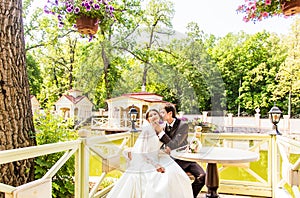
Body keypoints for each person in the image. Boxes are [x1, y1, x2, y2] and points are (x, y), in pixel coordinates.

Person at [107, 108, 193, 198]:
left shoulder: (161, 129)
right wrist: (155, 165)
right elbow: (143, 152)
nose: (153, 117)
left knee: (177, 173)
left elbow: (164, 144)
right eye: (150, 116)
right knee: (160, 178)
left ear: (159, 117)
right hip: (147, 160)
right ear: (148, 120)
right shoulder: (147, 131)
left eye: (155, 114)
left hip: (159, 156)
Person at [153, 103, 206, 198]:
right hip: (171, 161)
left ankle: (189, 195)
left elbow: (174, 144)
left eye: (162, 112)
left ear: (170, 114)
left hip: (186, 159)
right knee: (166, 177)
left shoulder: (183, 126)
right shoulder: (163, 126)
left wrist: (161, 133)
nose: (160, 115)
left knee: (202, 176)